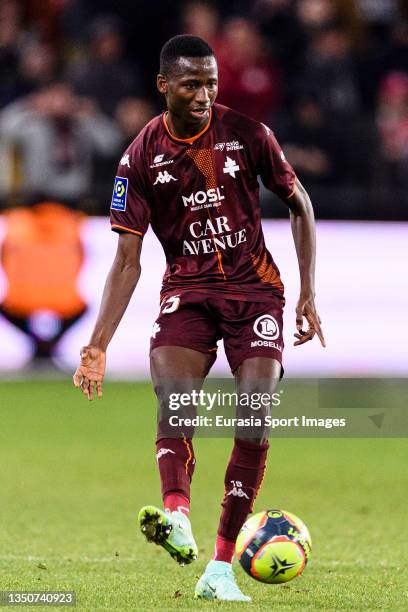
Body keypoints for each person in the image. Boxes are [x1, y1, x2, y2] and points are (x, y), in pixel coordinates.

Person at [72, 35, 325, 602]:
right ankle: (177, 517)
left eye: (211, 82)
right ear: (164, 87)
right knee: (174, 397)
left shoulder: (249, 134)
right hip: (186, 290)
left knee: (253, 418)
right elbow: (127, 261)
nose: (205, 94)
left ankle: (220, 566)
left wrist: (308, 293)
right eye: (191, 84)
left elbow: (300, 202)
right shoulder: (138, 158)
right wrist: (98, 344)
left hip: (255, 292)